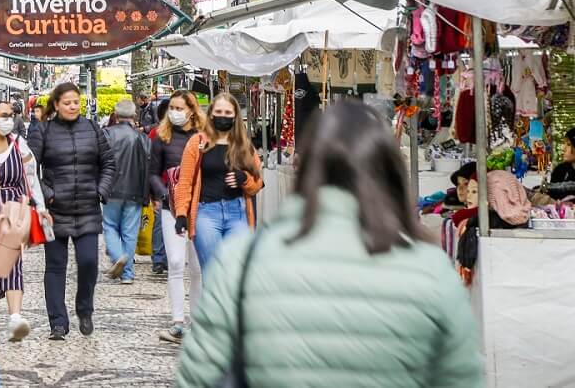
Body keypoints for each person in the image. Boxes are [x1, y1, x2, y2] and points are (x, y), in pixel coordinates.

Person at [175, 101, 484, 388]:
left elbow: (198, 376)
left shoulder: (243, 262)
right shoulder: (432, 271)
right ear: (390, 174)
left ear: (306, 168)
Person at [27, 82, 116, 341]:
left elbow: (109, 163)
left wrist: (101, 190)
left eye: (76, 102)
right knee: (55, 266)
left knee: (89, 262)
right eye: (67, 102)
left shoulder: (92, 128)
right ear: (56, 104)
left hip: (88, 208)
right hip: (56, 210)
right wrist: (47, 195)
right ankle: (57, 322)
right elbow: (30, 170)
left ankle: (84, 309)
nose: (73, 106)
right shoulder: (43, 131)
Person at [0, 99, 49, 343]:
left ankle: (15, 317)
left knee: (13, 262)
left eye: (11, 114)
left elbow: (30, 180)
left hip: (13, 211)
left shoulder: (19, 145)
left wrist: (40, 207)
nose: (9, 119)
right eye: (4, 115)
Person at [173, 93, 263, 272]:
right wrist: (182, 213)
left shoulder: (244, 145)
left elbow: (257, 184)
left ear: (235, 116)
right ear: (211, 114)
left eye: (228, 112)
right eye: (219, 111)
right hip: (206, 213)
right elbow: (185, 182)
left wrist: (244, 179)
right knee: (214, 274)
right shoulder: (197, 143)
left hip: (238, 213)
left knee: (236, 273)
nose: (223, 116)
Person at [150, 90, 205, 344]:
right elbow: (153, 172)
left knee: (196, 267)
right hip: (170, 208)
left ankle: (197, 319)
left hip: (199, 207)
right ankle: (177, 320)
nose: (174, 112)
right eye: (171, 107)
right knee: (174, 262)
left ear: (192, 110)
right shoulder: (162, 137)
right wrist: (163, 194)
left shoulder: (204, 137)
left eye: (179, 108)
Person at [101, 99, 151, 284]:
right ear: (133, 115)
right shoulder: (143, 138)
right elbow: (148, 167)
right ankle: (127, 273)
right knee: (130, 233)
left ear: (115, 114)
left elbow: (99, 161)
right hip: (136, 190)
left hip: (111, 189)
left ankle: (118, 256)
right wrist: (147, 195)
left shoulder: (106, 134)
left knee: (110, 226)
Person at [149, 98, 170, 276]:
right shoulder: (155, 133)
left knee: (164, 223)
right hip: (160, 185)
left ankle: (163, 257)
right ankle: (158, 258)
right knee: (159, 222)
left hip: (174, 184)